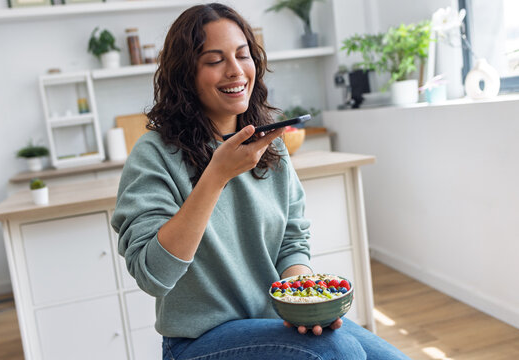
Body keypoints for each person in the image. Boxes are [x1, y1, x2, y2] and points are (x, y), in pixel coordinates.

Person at [111, 3, 411, 359]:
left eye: (243, 55)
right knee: (339, 353)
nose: (235, 71)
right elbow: (153, 275)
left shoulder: (270, 146)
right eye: (214, 60)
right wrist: (216, 175)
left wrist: (304, 302)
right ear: (185, 74)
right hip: (198, 341)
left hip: (275, 324)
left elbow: (292, 241)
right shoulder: (155, 154)